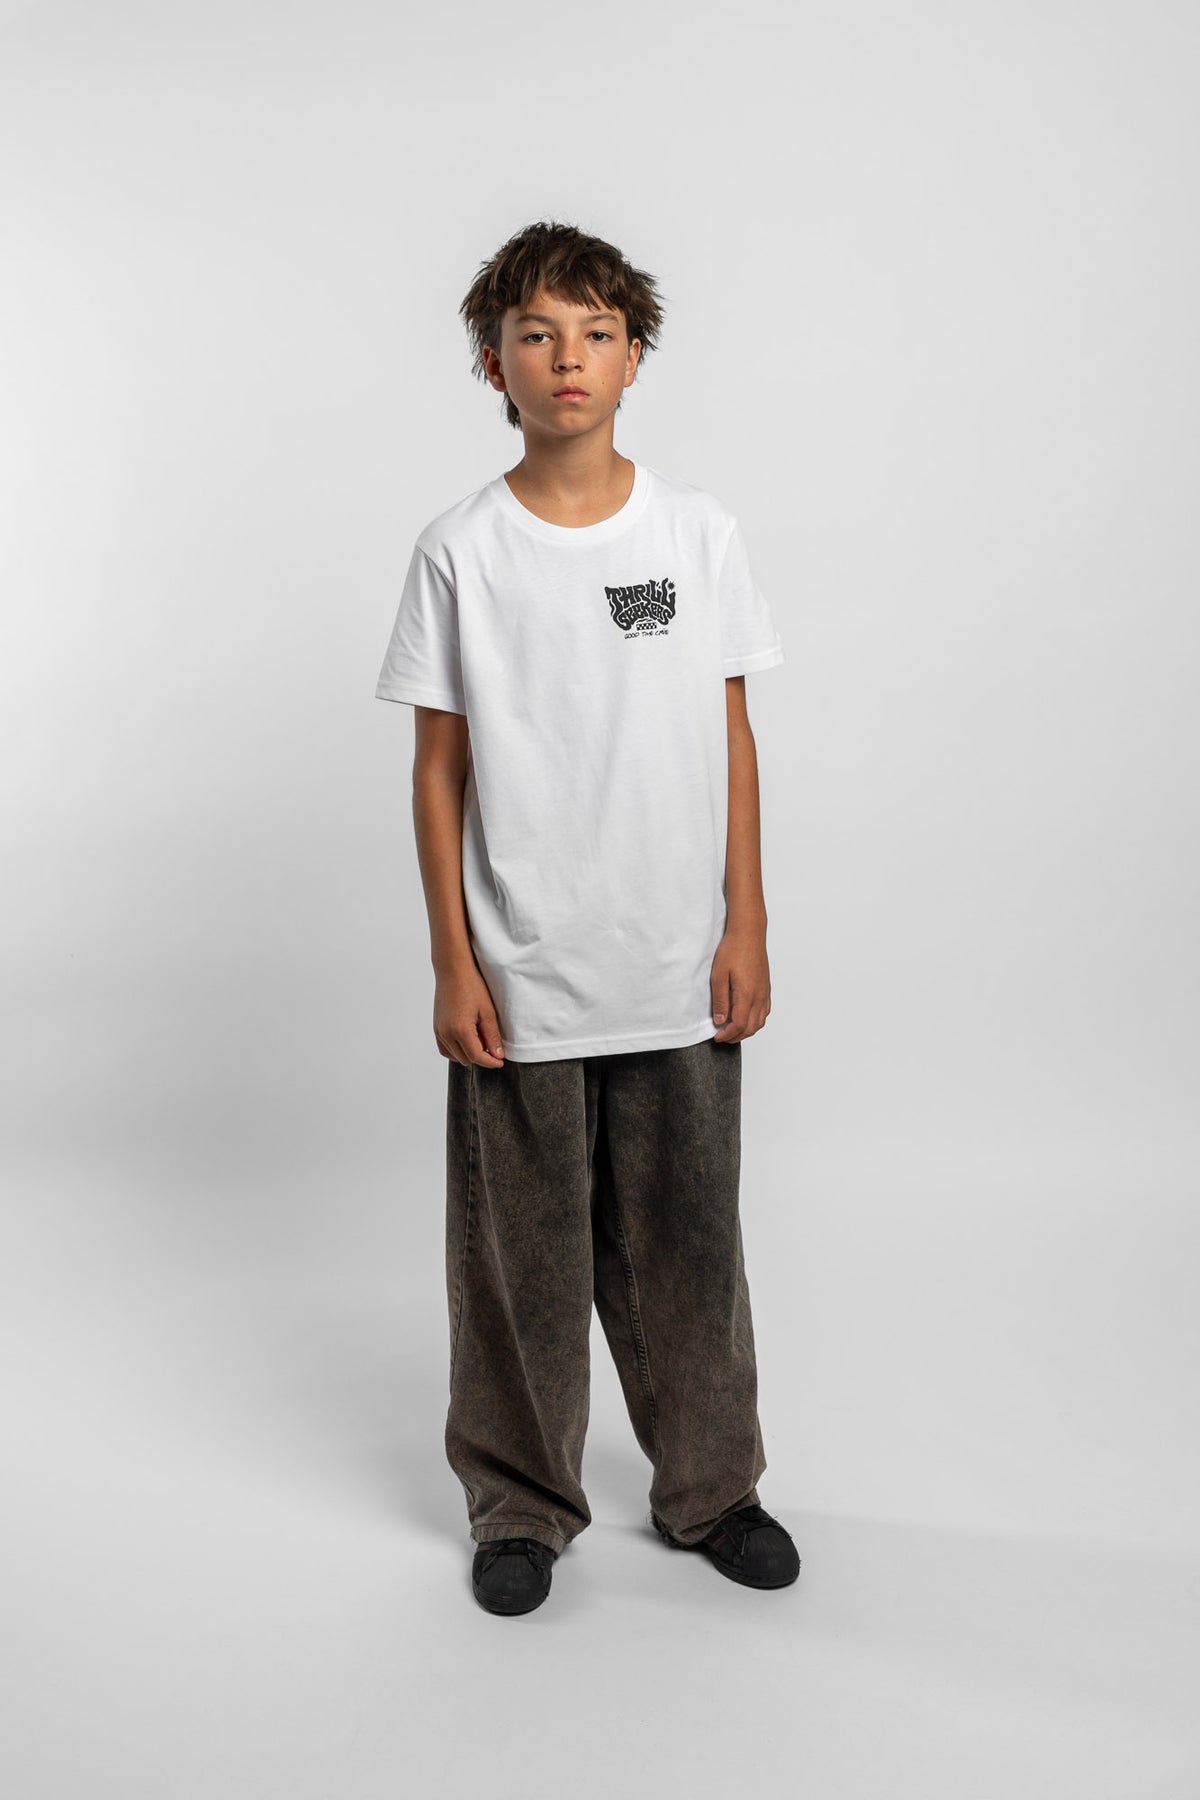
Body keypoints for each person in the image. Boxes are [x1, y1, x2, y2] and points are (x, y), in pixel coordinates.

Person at [375, 219, 800, 1616]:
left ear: (634, 356)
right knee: (521, 1268)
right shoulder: (461, 550)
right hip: (523, 971)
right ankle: (519, 1505)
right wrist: (453, 959)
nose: (569, 359)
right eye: (538, 334)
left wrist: (745, 924)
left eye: (597, 333)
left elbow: (732, 737)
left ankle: (714, 1489)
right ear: (491, 361)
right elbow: (437, 773)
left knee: (691, 1248)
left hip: (674, 963)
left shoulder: (697, 533)